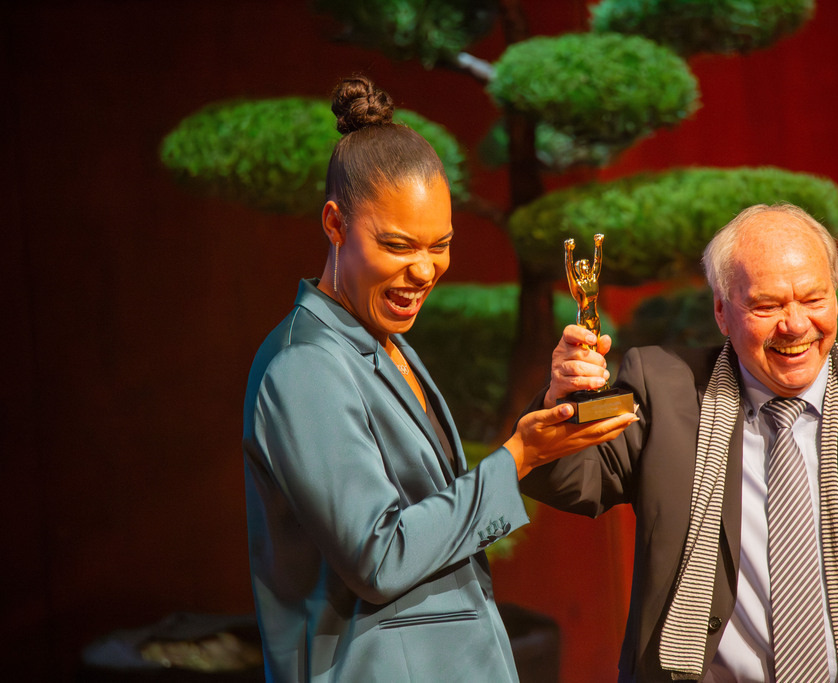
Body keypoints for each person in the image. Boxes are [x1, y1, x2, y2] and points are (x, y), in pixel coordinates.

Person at [522, 203, 838, 682]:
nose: (796, 325)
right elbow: (569, 479)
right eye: (766, 305)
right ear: (722, 312)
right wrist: (561, 400)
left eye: (814, 299)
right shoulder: (665, 390)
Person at [241, 75, 635, 682]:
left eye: (440, 245)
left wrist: (554, 407)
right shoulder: (305, 366)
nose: (424, 270)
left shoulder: (382, 342)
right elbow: (380, 557)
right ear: (335, 223)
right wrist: (519, 456)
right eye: (398, 245)